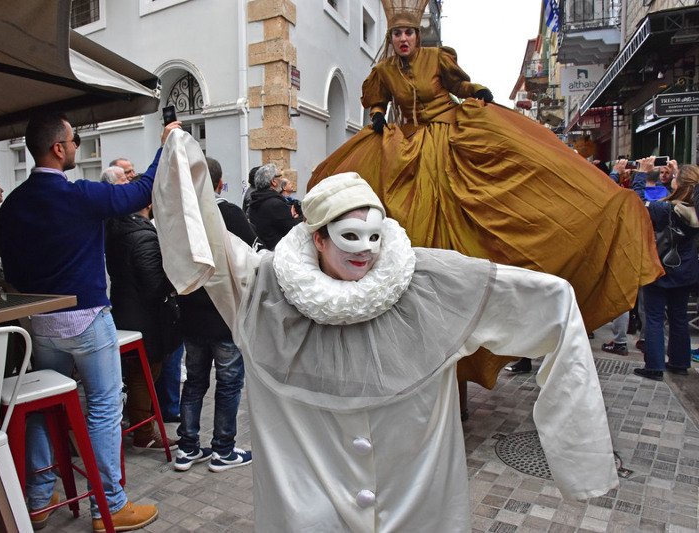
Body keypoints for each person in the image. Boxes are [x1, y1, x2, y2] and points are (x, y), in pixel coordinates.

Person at [153, 129, 618, 531]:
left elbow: (550, 302)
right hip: (312, 513)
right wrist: (180, 157)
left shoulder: (430, 283)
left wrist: (581, 459)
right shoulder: (264, 290)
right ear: (318, 237)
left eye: (374, 236)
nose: (366, 250)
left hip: (413, 508)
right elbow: (208, 246)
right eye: (349, 237)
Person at [308, 0, 661, 390]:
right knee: (404, 217)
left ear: (417, 36)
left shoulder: (437, 59)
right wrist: (377, 114)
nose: (403, 39)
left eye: (408, 32)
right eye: (396, 34)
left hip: (450, 138)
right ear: (390, 39)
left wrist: (476, 90)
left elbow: (460, 86)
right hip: (407, 146)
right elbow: (378, 99)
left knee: (476, 210)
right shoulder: (384, 71)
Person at [0, 112, 178, 531]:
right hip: (87, 319)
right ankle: (109, 506)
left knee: (44, 408)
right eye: (75, 138)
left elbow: (12, 270)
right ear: (58, 148)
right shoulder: (78, 195)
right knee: (103, 407)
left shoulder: (12, 205)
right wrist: (165, 146)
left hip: (41, 325)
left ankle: (40, 498)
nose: (77, 145)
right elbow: (140, 191)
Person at [172, 157, 255, 472]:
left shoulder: (181, 218)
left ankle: (187, 447)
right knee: (229, 383)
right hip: (224, 315)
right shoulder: (230, 214)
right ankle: (223, 449)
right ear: (219, 183)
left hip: (191, 313)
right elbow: (250, 256)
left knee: (194, 382)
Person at [104, 184, 182, 449]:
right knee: (145, 372)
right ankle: (144, 433)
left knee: (139, 372)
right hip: (144, 317)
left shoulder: (117, 228)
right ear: (149, 203)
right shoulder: (143, 235)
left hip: (125, 310)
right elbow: (153, 284)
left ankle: (141, 425)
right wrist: (174, 280)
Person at [632, 157, 698, 380]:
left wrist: (641, 174)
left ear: (679, 184)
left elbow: (638, 203)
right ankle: (680, 362)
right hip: (686, 269)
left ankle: (654, 366)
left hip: (660, 267)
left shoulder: (666, 209)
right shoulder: (694, 210)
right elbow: (687, 189)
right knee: (679, 317)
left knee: (654, 317)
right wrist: (679, 173)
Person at [247, 163, 300, 250]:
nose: (282, 179)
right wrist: (297, 217)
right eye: (280, 176)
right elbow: (293, 231)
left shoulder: (254, 202)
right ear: (274, 181)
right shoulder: (275, 204)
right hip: (278, 252)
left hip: (263, 252)